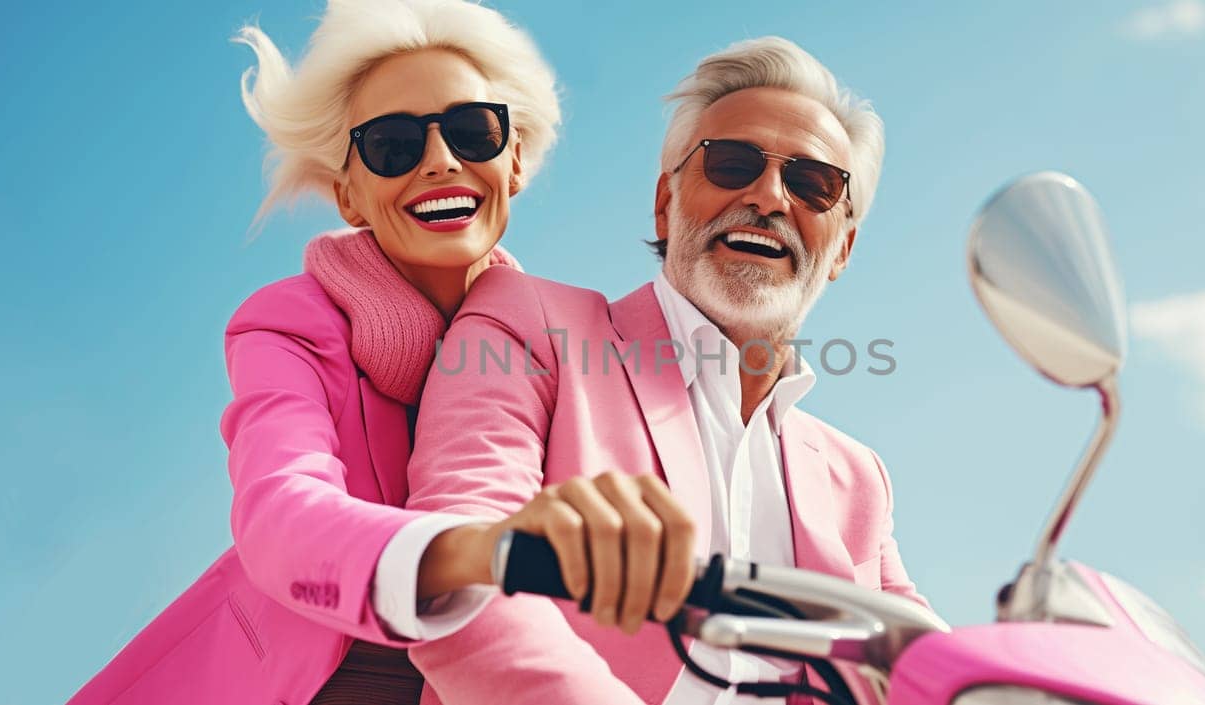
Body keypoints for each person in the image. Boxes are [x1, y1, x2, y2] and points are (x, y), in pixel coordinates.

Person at [67, 2, 694, 704]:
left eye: (472, 130)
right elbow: (281, 514)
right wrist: (477, 549)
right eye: (393, 146)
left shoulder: (565, 344)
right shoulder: (289, 325)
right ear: (349, 195)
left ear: (514, 159)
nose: (441, 161)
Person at [397, 36, 931, 705]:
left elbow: (930, 669)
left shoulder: (859, 479)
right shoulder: (530, 325)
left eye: (812, 183)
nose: (769, 196)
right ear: (665, 203)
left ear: (843, 246)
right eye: (732, 164)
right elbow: (455, 570)